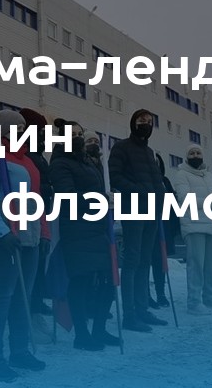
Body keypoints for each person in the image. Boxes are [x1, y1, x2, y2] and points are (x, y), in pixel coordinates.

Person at [0, 109, 46, 382]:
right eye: (17, 127)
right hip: (2, 238)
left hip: (29, 236)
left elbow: (35, 197)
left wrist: (43, 231)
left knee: (22, 297)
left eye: (24, 128)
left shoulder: (25, 158)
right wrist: (1, 232)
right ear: (3, 129)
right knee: (1, 296)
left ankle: (19, 350)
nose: (22, 132)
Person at [48, 120, 119, 351]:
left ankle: (99, 328)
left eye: (80, 133)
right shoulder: (60, 163)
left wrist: (107, 197)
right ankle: (82, 334)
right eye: (72, 134)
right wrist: (99, 199)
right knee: (81, 281)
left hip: (97, 228)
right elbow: (67, 196)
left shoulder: (88, 161)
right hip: (76, 229)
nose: (77, 137)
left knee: (108, 280)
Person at [107, 109, 168, 332]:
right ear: (133, 123)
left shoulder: (150, 152)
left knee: (145, 260)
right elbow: (115, 178)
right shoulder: (121, 147)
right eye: (142, 120)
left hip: (153, 211)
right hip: (133, 210)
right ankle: (130, 315)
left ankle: (142, 309)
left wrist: (162, 196)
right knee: (132, 260)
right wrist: (138, 191)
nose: (146, 124)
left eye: (150, 121)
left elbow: (157, 180)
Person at [170, 144, 212, 315]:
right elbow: (185, 198)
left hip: (211, 224)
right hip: (193, 225)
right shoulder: (181, 174)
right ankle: (194, 302)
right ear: (187, 157)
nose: (195, 155)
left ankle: (210, 298)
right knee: (196, 265)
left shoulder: (209, 175)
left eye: (198, 152)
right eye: (192, 153)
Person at [19, 108, 55, 332]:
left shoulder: (39, 154)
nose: (44, 135)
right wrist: (47, 188)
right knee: (32, 266)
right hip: (31, 216)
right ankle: (30, 308)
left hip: (43, 214)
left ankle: (37, 301)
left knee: (41, 262)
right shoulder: (28, 156)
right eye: (41, 130)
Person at [150, 153, 175, 308]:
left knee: (160, 262)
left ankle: (161, 293)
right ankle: (145, 294)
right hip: (147, 223)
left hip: (163, 225)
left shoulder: (164, 181)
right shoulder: (143, 180)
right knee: (145, 261)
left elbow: (172, 203)